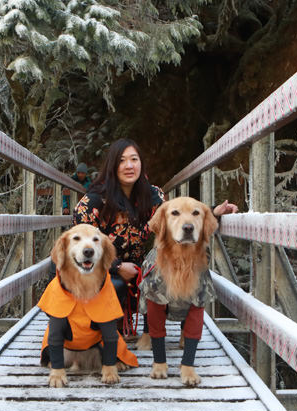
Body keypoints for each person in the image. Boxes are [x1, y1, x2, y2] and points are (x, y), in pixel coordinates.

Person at [73, 138, 237, 333]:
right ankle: (104, 331)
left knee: (172, 269)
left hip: (137, 271)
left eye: (134, 159)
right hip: (98, 269)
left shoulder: (152, 196)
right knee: (114, 283)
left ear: (141, 164)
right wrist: (116, 267)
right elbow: (78, 247)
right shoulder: (93, 201)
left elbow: (176, 217)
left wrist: (213, 211)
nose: (129, 166)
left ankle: (163, 332)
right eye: (122, 161)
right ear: (112, 166)